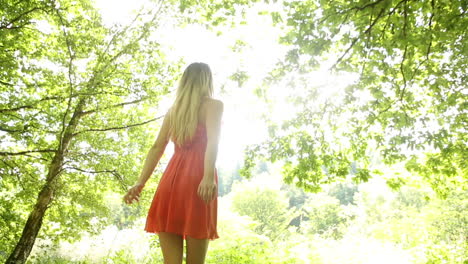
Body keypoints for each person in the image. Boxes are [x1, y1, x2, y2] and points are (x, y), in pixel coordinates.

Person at [123, 62, 223, 264]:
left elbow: (157, 147)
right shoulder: (214, 105)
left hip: (171, 182)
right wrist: (207, 177)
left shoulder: (174, 110)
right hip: (198, 180)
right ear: (207, 80)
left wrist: (140, 183)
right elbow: (213, 141)